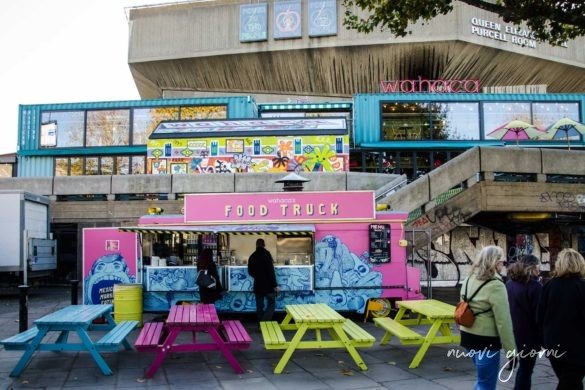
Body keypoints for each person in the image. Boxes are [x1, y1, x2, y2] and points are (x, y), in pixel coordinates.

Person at [459, 245, 517, 390]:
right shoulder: (496, 285)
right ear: (495, 262)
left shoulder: (468, 279)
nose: (503, 265)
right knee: (486, 384)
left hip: (467, 336)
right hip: (486, 340)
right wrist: (511, 352)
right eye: (502, 262)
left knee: (482, 380)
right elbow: (503, 321)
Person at [537, 248, 585, 390]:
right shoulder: (582, 287)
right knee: (571, 382)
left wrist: (543, 341)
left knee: (570, 381)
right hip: (578, 347)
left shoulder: (549, 286)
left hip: (554, 345)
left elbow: (540, 317)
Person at [505, 254, 543, 390]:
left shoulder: (509, 284)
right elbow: (538, 314)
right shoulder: (535, 286)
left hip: (513, 331)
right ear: (533, 267)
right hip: (529, 334)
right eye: (538, 266)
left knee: (524, 368)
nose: (540, 269)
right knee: (526, 370)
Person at [247, 238, 279, 321]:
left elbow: (250, 271)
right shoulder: (267, 254)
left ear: (256, 245)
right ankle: (265, 321)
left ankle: (260, 323)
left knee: (259, 306)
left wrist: (257, 276)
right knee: (271, 303)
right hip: (268, 286)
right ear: (264, 245)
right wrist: (275, 285)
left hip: (258, 285)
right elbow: (270, 271)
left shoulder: (252, 256)